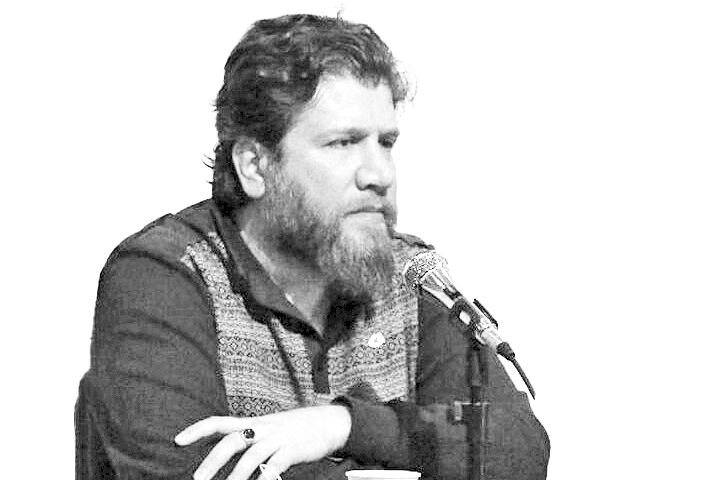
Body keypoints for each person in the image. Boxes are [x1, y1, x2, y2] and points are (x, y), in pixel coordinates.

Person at [76, 13, 550, 480]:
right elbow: (192, 470)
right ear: (255, 166)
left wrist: (342, 426)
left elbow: (516, 449)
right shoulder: (165, 274)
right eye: (343, 143)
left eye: (386, 142)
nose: (379, 174)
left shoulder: (409, 274)